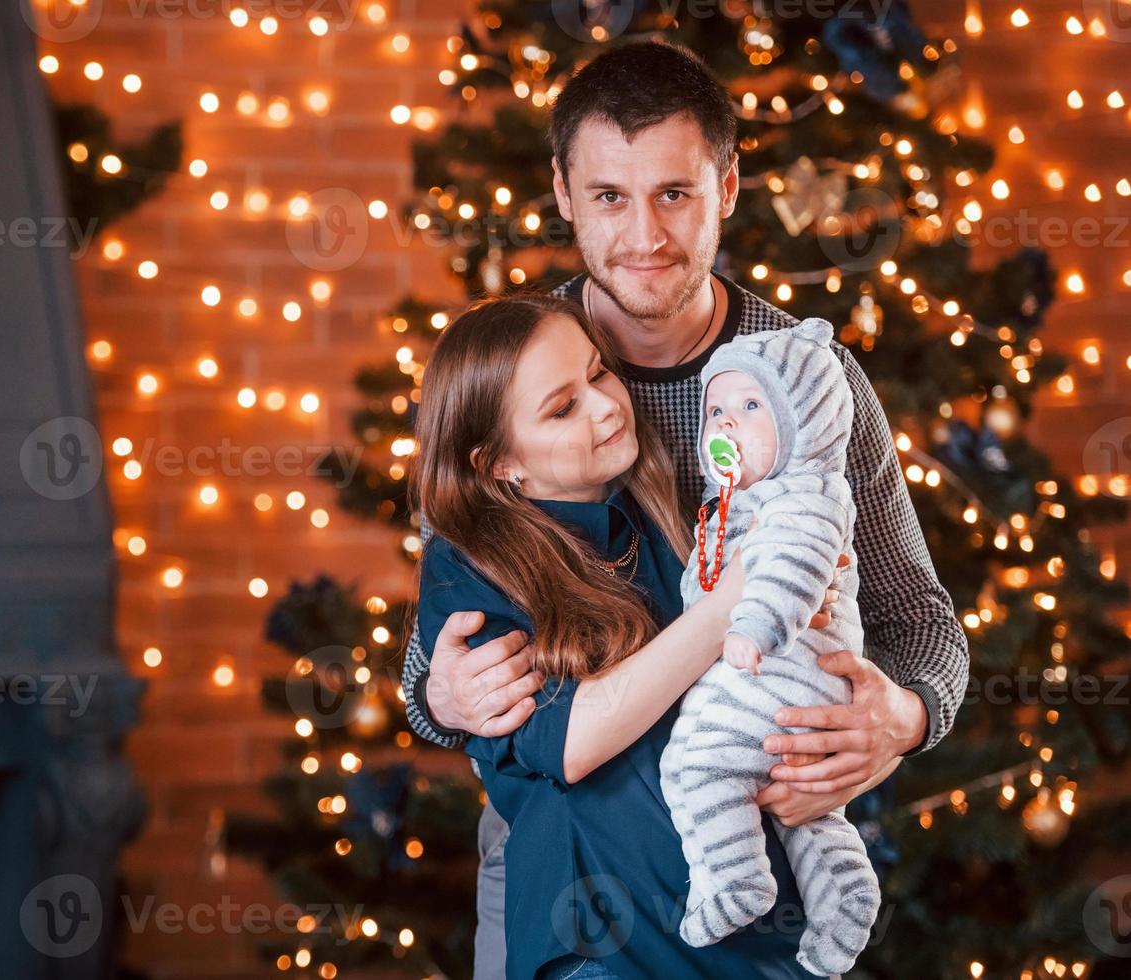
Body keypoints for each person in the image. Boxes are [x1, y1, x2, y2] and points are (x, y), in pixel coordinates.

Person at [399, 39, 969, 978]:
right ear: (563, 193)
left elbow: (919, 618)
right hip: (572, 866)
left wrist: (899, 721)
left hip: (757, 855)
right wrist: (439, 694)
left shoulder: (809, 375)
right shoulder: (515, 372)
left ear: (730, 185)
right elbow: (447, 632)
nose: (645, 237)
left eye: (675, 193)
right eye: (610, 197)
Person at [414, 293, 830, 979]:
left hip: (745, 942)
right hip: (601, 949)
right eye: (562, 408)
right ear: (498, 464)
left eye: (599, 373)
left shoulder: (662, 508)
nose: (606, 406)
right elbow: (569, 741)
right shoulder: (469, 567)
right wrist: (729, 608)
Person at [659, 319, 880, 978]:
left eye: (753, 408)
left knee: (697, 763)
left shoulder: (803, 495)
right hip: (793, 677)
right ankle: (845, 896)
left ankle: (734, 881)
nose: (728, 423)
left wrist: (754, 626)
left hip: (781, 659)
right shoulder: (739, 501)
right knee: (806, 810)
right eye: (719, 409)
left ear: (805, 423)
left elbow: (797, 563)